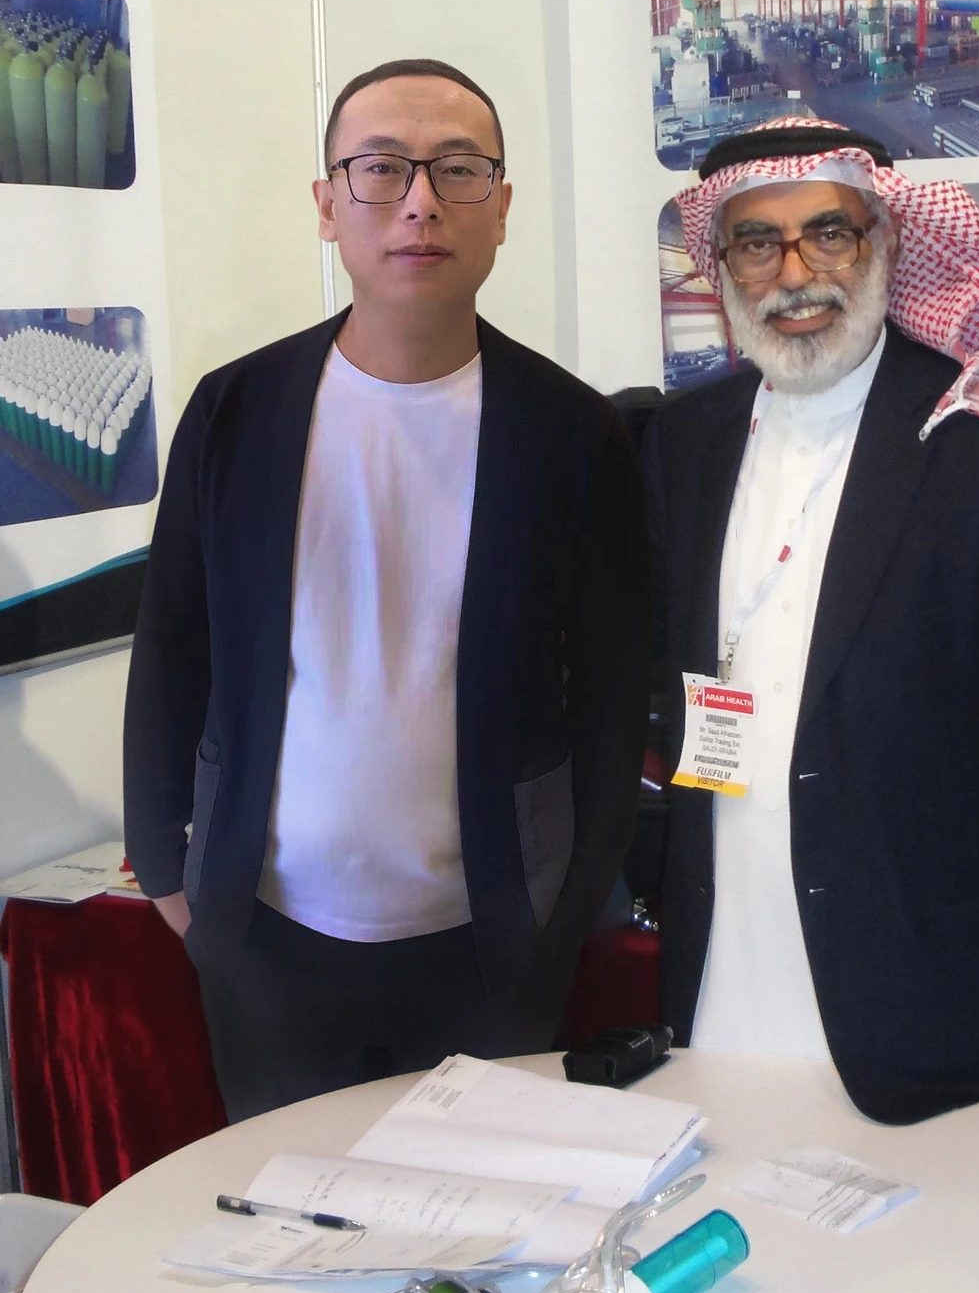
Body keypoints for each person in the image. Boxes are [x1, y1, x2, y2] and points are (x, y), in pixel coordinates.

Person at [124, 57, 650, 1119]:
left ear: (502, 207)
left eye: (457, 169)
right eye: (380, 169)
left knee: (480, 1209)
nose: (419, 203)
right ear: (328, 205)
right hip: (266, 935)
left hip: (490, 944)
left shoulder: (571, 430)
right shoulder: (235, 412)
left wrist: (567, 909)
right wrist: (169, 873)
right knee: (289, 1205)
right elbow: (174, 645)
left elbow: (612, 692)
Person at [642, 117, 979, 1149]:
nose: (795, 274)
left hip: (948, 989)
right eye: (756, 242)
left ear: (889, 241)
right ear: (721, 265)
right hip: (731, 966)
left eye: (829, 233)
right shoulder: (683, 443)